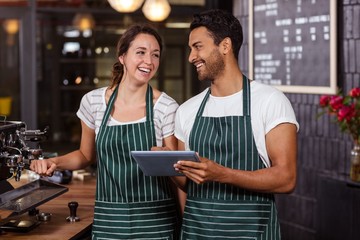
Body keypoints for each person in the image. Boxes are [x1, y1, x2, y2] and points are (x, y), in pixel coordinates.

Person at [30, 24, 181, 239]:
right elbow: (85, 155)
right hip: (109, 221)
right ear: (122, 56)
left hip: (155, 222)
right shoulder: (93, 102)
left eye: (155, 55)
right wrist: (55, 163)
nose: (149, 61)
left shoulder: (166, 107)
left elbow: (176, 172)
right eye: (140, 52)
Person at [173, 9, 299, 239]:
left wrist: (221, 174)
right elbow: (187, 183)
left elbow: (286, 178)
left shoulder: (270, 101)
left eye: (198, 46)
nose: (191, 57)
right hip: (197, 233)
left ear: (225, 46)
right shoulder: (187, 110)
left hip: (252, 233)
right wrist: (167, 166)